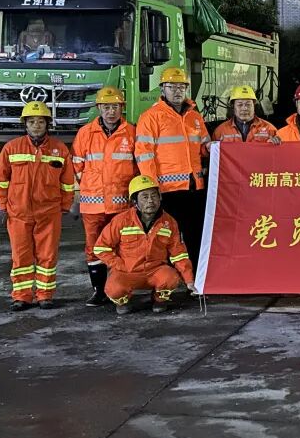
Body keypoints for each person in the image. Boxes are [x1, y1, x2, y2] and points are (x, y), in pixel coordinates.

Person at [0, 100, 75, 311]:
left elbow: (67, 182)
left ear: (48, 124)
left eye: (40, 121)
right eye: (31, 121)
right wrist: (4, 206)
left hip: (49, 213)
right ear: (25, 125)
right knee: (21, 256)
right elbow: (0, 180)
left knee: (47, 255)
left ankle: (45, 295)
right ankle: (22, 296)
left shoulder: (59, 149)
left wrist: (64, 206)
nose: (36, 125)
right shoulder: (11, 148)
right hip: (18, 213)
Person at [135, 67, 210, 270]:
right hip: (167, 191)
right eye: (172, 86)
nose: (177, 91)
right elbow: (144, 154)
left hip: (194, 188)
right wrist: (151, 187)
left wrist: (215, 148)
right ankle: (166, 280)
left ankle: (194, 277)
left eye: (182, 86)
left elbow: (205, 147)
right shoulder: (151, 117)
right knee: (166, 238)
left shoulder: (195, 116)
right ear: (162, 89)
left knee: (195, 235)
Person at [71, 86, 138, 307]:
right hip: (93, 206)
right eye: (107, 107)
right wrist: (91, 187)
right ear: (99, 108)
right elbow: (77, 165)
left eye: (115, 107)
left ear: (122, 109)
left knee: (123, 246)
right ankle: (99, 291)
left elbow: (138, 167)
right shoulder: (85, 133)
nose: (111, 111)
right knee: (94, 248)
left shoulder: (132, 133)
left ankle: (120, 287)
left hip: (122, 205)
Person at [93, 175, 196, 315]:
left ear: (160, 197)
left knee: (170, 278)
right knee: (114, 289)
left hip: (155, 270)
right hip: (127, 272)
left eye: (154, 196)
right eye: (144, 197)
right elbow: (101, 247)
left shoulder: (169, 222)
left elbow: (179, 253)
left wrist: (189, 280)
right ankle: (123, 302)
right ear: (134, 201)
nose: (150, 201)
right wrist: (119, 265)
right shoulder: (121, 221)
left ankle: (159, 300)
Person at [211, 85, 277, 143]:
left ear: (254, 106)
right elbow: (212, 154)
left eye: (248, 104)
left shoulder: (269, 129)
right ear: (233, 106)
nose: (244, 108)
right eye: (240, 105)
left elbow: (279, 154)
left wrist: (276, 145)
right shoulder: (220, 131)